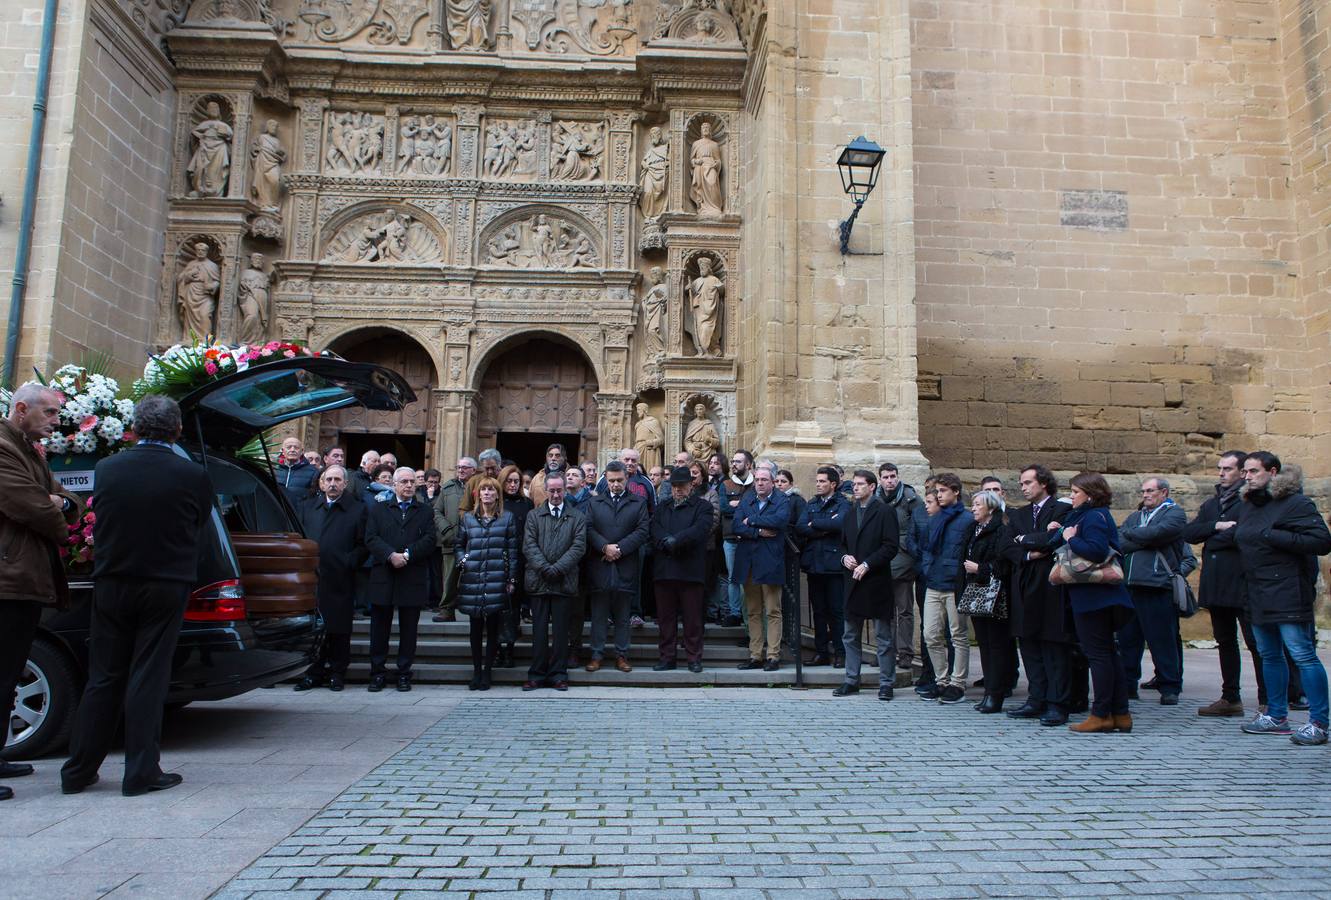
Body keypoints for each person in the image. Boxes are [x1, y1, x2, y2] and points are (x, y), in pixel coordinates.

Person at [60, 395, 213, 797]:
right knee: (148, 673)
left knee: (104, 674)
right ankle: (140, 770)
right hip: (165, 581)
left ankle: (78, 769)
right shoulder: (191, 473)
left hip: (112, 580)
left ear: (135, 428)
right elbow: (199, 519)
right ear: (177, 430)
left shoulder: (108, 468)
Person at [0, 384, 80, 800]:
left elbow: (67, 499)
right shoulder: (3, 448)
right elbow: (31, 505)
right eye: (49, 413)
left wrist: (59, 503)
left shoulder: (28, 450)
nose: (55, 422)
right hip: (7, 577)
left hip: (23, 577)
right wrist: (57, 508)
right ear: (20, 409)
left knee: (10, 671)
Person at [1230, 453, 1331, 744]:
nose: (1246, 477)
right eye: (1245, 472)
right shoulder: (1247, 505)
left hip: (1287, 592)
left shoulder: (1296, 503)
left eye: (1253, 471)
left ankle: (1319, 723)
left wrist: (1274, 535)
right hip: (1256, 591)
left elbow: (1321, 542)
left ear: (1272, 472)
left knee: (1302, 655)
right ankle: (1276, 715)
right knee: (1268, 654)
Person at [1049, 472, 1135, 733]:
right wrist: (1061, 532)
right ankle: (1120, 713)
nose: (1071, 496)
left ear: (1090, 493)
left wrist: (1071, 539)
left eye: (1075, 492)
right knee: (1108, 653)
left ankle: (1101, 714)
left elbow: (1097, 550)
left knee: (1098, 655)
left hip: (1095, 598)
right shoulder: (1087, 515)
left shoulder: (1094, 516)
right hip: (1096, 597)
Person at [1183, 450, 1265, 717]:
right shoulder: (1212, 504)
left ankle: (1268, 698)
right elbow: (1189, 533)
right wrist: (1217, 526)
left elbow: (1243, 535)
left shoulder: (1250, 502)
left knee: (1255, 642)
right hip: (1216, 583)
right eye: (1220, 468)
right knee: (1225, 641)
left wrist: (1215, 533)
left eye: (1227, 469)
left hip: (1241, 582)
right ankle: (1230, 697)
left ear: (1242, 472)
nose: (1221, 473)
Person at [1002, 465, 1077, 726]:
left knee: (1053, 646)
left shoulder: (1062, 510)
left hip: (1051, 586)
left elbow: (1055, 540)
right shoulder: (1018, 514)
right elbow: (1007, 546)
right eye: (1021, 483)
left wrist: (1029, 539)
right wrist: (1029, 549)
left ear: (1043, 483)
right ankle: (1037, 698)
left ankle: (1058, 703)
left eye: (1027, 483)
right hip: (1023, 583)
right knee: (1030, 644)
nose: (1022, 488)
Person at [294, 465, 366, 692]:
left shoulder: (358, 510)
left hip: (340, 578)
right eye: (329, 479)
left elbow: (364, 544)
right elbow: (298, 538)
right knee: (314, 629)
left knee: (339, 630)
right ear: (322, 483)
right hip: (313, 580)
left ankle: (337, 673)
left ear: (345, 483)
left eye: (337, 479)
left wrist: (348, 561)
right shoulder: (307, 508)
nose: (333, 483)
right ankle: (312, 673)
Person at [364, 467, 436, 692]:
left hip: (411, 575)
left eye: (412, 482)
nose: (408, 485)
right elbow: (371, 538)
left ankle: (404, 673)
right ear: (394, 484)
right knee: (379, 630)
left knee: (408, 630)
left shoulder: (425, 511)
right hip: (384, 575)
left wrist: (406, 555)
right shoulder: (379, 509)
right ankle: (377, 673)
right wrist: (390, 555)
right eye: (403, 481)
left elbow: (430, 539)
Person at [1117, 477, 1188, 705]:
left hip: (1157, 586)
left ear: (1163, 492)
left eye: (1150, 490)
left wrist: (1137, 535)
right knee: (1128, 639)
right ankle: (1128, 684)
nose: (1145, 494)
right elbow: (1120, 541)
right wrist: (1146, 537)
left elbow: (1163, 532)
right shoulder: (1136, 516)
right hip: (1131, 586)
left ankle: (1169, 686)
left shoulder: (1174, 513)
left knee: (1162, 639)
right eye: (1143, 491)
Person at [833, 470, 900, 700]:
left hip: (876, 580)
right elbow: (842, 545)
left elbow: (891, 546)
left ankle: (886, 683)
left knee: (883, 636)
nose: (856, 488)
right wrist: (845, 558)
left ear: (872, 487)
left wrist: (868, 564)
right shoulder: (850, 513)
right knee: (850, 634)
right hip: (853, 581)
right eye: (854, 484)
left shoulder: (885, 511)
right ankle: (851, 680)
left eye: (861, 484)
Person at [522, 473, 587, 691]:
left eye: (560, 490)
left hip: (564, 582)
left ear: (565, 491)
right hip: (539, 582)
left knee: (561, 632)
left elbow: (578, 547)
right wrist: (544, 568)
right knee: (539, 632)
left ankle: (559, 674)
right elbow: (529, 545)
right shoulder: (534, 516)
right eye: (552, 490)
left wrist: (557, 569)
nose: (557, 494)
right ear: (546, 490)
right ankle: (537, 674)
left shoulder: (577, 516)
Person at [584, 461, 650, 673]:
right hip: (600, 564)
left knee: (623, 615)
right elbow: (588, 528)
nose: (615, 484)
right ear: (606, 479)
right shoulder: (595, 503)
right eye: (611, 481)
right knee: (599, 614)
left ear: (626, 479)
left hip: (626, 563)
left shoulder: (638, 502)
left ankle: (622, 655)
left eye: (619, 480)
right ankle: (596, 654)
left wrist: (619, 548)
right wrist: (604, 547)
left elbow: (642, 531)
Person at [455, 476, 517, 691]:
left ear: (497, 495)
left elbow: (512, 550)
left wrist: (511, 578)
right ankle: (476, 671)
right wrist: (463, 561)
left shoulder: (507, 518)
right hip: (473, 578)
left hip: (496, 578)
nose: (488, 493)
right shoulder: (468, 519)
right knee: (474, 629)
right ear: (478, 494)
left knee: (492, 629)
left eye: (491, 490)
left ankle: (487, 672)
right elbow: (459, 545)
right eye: (484, 490)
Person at [652, 467, 714, 672]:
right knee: (666, 619)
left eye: (682, 486)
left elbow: (700, 530)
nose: (678, 490)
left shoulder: (703, 506)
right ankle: (667, 657)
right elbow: (654, 529)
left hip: (690, 570)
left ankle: (694, 658)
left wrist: (676, 541)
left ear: (691, 486)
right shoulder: (662, 507)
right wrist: (665, 542)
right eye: (675, 486)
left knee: (693, 618)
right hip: (665, 569)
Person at [919, 473, 974, 703]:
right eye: (937, 491)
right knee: (930, 634)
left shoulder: (967, 519)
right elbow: (927, 549)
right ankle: (941, 680)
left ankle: (957, 683)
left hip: (954, 584)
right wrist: (928, 568)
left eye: (942, 491)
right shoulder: (935, 518)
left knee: (958, 635)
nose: (938, 495)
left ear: (956, 492)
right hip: (934, 582)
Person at [731, 467, 788, 671]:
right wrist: (759, 532)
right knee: (753, 610)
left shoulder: (781, 500)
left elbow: (780, 521)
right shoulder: (747, 499)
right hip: (748, 562)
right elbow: (736, 525)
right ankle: (755, 655)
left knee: (773, 610)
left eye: (764, 479)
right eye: (757, 480)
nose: (760, 483)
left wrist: (752, 521)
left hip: (770, 562)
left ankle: (773, 656)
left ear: (772, 482)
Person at [965, 490, 1014, 713]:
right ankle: (988, 693)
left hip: (995, 595)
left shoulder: (1001, 530)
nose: (973, 508)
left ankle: (997, 693)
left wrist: (980, 569)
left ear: (991, 508)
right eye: (973, 504)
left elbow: (1003, 563)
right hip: (976, 593)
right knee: (984, 644)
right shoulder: (973, 529)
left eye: (977, 504)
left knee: (996, 645)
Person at [875, 463, 926, 672]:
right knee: (884, 611)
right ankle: (885, 652)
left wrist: (911, 552)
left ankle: (905, 653)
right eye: (885, 477)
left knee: (904, 610)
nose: (890, 481)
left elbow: (920, 526)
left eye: (892, 476)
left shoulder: (910, 498)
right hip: (881, 560)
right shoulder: (875, 499)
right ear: (879, 479)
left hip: (904, 559)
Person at [797, 466, 850, 666]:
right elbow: (802, 527)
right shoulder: (811, 503)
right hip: (814, 565)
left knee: (836, 611)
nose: (818, 484)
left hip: (833, 565)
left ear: (833, 484)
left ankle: (841, 652)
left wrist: (815, 525)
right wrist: (823, 526)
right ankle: (821, 652)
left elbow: (840, 524)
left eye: (822, 481)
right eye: (817, 481)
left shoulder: (843, 503)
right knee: (818, 611)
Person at [496, 464, 534, 667]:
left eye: (516, 481)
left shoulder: (527, 503)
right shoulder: (494, 501)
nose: (512, 485)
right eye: (509, 481)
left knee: (513, 608)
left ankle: (509, 650)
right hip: (495, 561)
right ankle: (495, 650)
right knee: (495, 608)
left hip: (519, 561)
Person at [431, 457, 475, 622]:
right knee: (449, 577)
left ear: (473, 470)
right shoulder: (447, 488)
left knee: (474, 578)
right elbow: (436, 511)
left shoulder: (480, 486)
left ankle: (475, 612)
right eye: (459, 467)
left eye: (465, 467)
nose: (461, 470)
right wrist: (447, 530)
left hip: (474, 541)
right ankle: (447, 610)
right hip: (451, 539)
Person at [718, 450, 755, 628]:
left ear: (748, 465)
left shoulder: (756, 484)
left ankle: (749, 613)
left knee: (749, 578)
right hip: (731, 538)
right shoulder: (725, 485)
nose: (733, 464)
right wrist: (744, 507)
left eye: (738, 462)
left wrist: (738, 505)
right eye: (732, 461)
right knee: (733, 577)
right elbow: (724, 509)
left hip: (750, 538)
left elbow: (756, 511)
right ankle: (735, 612)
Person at [275, 435, 318, 505]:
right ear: (283, 451)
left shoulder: (313, 472)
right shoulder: (273, 469)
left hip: (299, 512)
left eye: (296, 447)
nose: (292, 450)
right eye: (289, 447)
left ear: (302, 451)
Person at [529, 442, 568, 507]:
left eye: (557, 456)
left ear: (564, 458)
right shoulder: (537, 479)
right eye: (550, 455)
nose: (553, 458)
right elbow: (530, 503)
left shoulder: (571, 477)